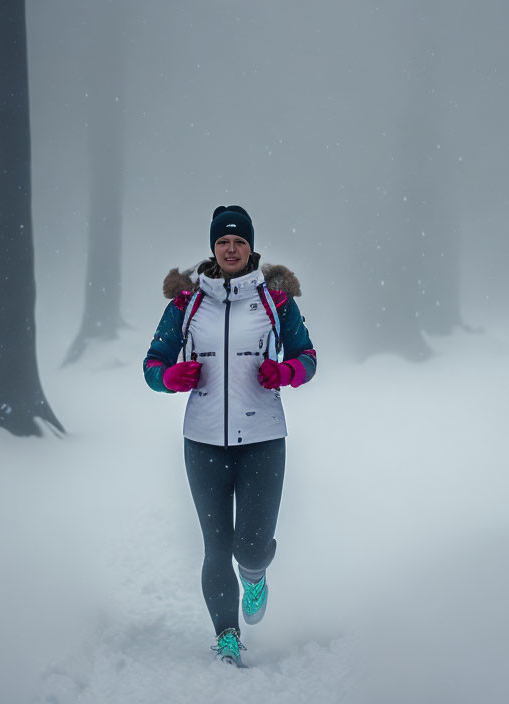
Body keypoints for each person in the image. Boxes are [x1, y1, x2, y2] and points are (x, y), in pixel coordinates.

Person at [142, 205, 317, 667]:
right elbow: (152, 363)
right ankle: (226, 636)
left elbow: (308, 356)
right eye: (223, 242)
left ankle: (255, 573)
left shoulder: (276, 300)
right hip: (202, 442)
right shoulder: (186, 303)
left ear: (251, 247)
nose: (232, 249)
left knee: (250, 546)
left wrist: (286, 371)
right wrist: (169, 377)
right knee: (216, 547)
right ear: (213, 248)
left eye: (239, 241)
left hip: (262, 439)